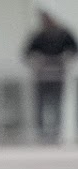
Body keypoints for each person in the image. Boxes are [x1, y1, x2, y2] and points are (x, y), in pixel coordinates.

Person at [25, 11, 77, 144]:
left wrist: (65, 59)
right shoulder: (39, 35)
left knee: (56, 103)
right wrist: (37, 61)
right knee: (40, 104)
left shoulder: (63, 34)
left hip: (58, 74)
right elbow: (27, 53)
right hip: (42, 75)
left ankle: (56, 131)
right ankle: (41, 132)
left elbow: (73, 49)